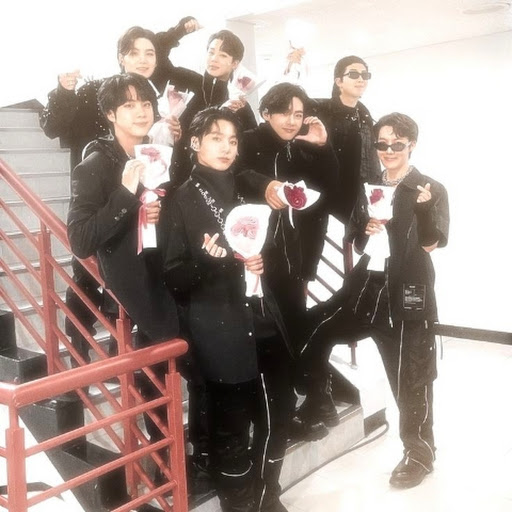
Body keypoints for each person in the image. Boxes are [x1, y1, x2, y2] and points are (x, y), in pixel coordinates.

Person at [302, 112, 449, 489]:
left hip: (409, 292)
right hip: (367, 288)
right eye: (382, 144)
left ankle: (419, 453)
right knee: (315, 329)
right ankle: (318, 399)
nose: (388, 150)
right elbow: (355, 238)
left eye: (396, 143)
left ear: (411, 145)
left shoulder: (430, 188)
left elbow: (431, 243)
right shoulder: (370, 187)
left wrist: (422, 210)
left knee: (411, 377)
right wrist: (365, 229)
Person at [160, 107, 294, 512]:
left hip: (263, 317)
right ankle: (240, 503)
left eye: (233, 140)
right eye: (216, 138)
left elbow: (271, 248)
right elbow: (173, 276)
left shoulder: (244, 189)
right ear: (195, 143)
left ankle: (267, 494)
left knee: (279, 412)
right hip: (219, 328)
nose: (226, 147)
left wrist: (262, 261)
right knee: (231, 428)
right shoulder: (180, 200)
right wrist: (208, 262)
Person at [41, 20, 197, 367]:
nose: (143, 59)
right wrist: (63, 89)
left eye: (150, 53)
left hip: (143, 239)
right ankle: (81, 356)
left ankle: (121, 353)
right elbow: (54, 125)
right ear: (120, 57)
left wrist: (175, 138)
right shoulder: (98, 93)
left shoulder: (154, 111)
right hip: (100, 196)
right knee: (88, 281)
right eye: (134, 53)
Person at [67, 73, 180, 452]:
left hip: (170, 275)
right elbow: (80, 239)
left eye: (146, 103)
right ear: (111, 114)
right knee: (153, 381)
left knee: (177, 370)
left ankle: (185, 457)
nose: (141, 112)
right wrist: (126, 194)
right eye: (129, 105)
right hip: (135, 289)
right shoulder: (94, 166)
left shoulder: (158, 155)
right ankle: (165, 462)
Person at [234, 82, 339, 439]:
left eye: (298, 114)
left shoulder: (300, 146)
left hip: (292, 260)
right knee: (271, 338)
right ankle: (282, 415)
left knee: (297, 329)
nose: (292, 121)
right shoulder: (247, 140)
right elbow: (235, 173)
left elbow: (330, 188)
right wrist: (264, 185)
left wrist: (323, 147)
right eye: (284, 113)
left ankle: (310, 401)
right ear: (266, 113)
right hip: (255, 260)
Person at [168, 29, 258, 192]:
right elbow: (160, 64)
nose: (214, 59)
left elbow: (251, 149)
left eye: (223, 55)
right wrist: (178, 31)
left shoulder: (240, 105)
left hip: (218, 186)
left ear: (235, 63)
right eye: (211, 52)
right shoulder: (191, 83)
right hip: (180, 181)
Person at [315, 55, 381, 224]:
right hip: (329, 197)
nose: (361, 79)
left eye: (365, 75)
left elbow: (371, 158)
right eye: (353, 74)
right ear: (339, 81)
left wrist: (377, 193)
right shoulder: (322, 110)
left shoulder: (364, 115)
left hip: (362, 197)